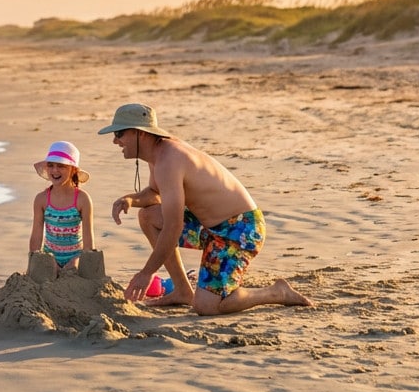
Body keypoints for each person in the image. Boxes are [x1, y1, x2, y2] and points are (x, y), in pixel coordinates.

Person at [97, 103, 312, 315]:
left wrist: (147, 273)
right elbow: (156, 192)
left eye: (119, 133)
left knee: (207, 307)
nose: (115, 141)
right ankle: (182, 290)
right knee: (148, 216)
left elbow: (173, 227)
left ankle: (276, 292)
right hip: (210, 227)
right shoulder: (157, 154)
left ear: (140, 133)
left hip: (241, 229)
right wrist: (131, 199)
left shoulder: (170, 159)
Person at [28, 141, 95, 272]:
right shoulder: (41, 199)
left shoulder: (82, 199)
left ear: (73, 170)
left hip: (76, 260)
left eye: (61, 166)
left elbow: (89, 243)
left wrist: (78, 261)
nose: (55, 170)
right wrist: (35, 265)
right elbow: (36, 238)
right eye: (50, 165)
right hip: (49, 260)